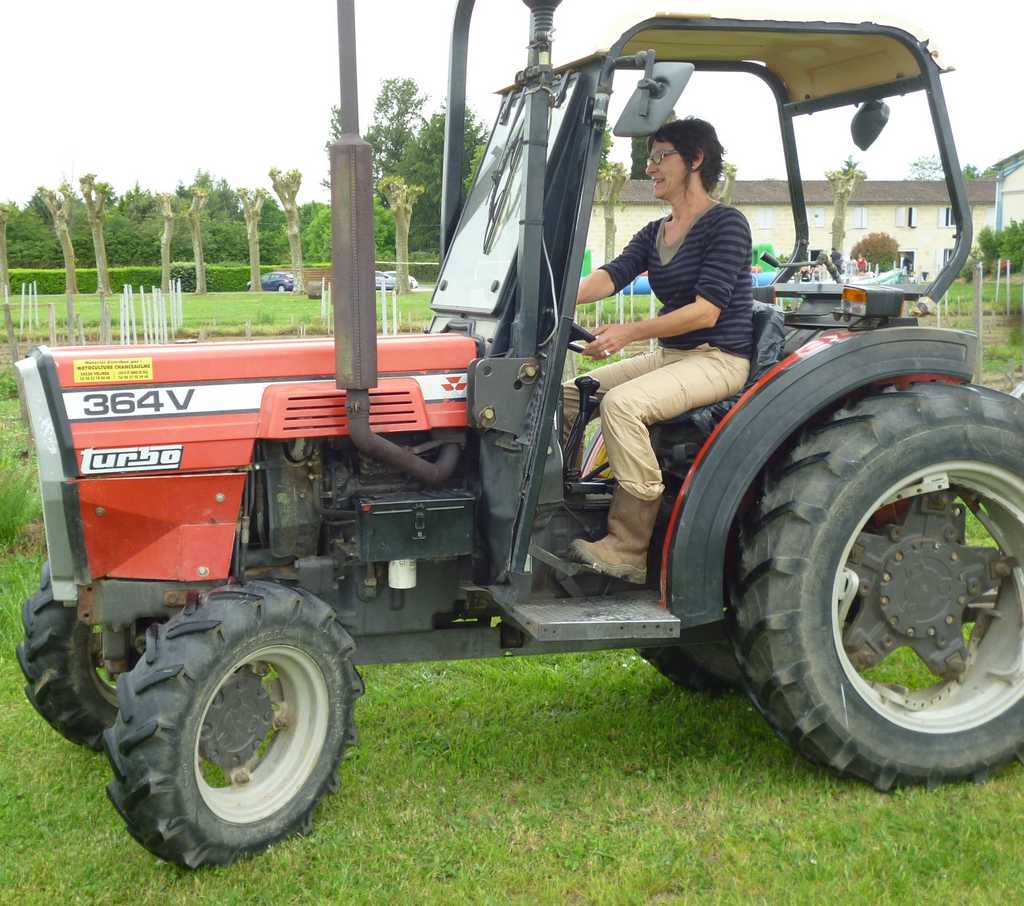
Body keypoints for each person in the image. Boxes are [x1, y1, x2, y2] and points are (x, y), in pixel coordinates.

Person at [563, 117, 752, 584]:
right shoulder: (656, 231)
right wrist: (553, 296)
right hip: (672, 356)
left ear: (695, 160)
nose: (650, 167)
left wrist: (629, 332)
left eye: (659, 156)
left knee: (622, 406)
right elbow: (611, 275)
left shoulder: (725, 224)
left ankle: (628, 546)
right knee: (570, 393)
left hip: (718, 357)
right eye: (649, 158)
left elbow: (706, 312)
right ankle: (561, 502)